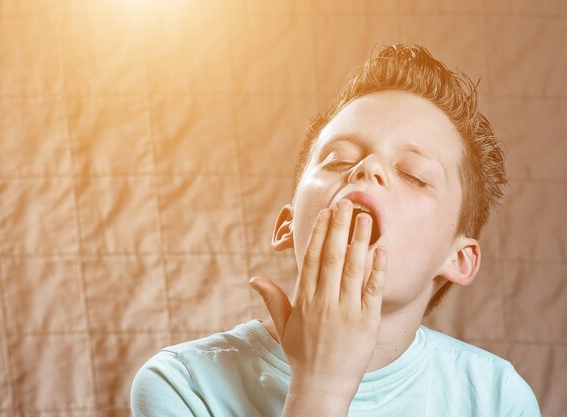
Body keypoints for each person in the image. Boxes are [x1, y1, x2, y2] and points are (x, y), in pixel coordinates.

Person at [130, 43, 542, 416]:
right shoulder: (183, 385)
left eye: (414, 174)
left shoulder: (498, 398)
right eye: (338, 159)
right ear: (288, 225)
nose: (369, 168)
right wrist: (320, 385)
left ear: (459, 258)